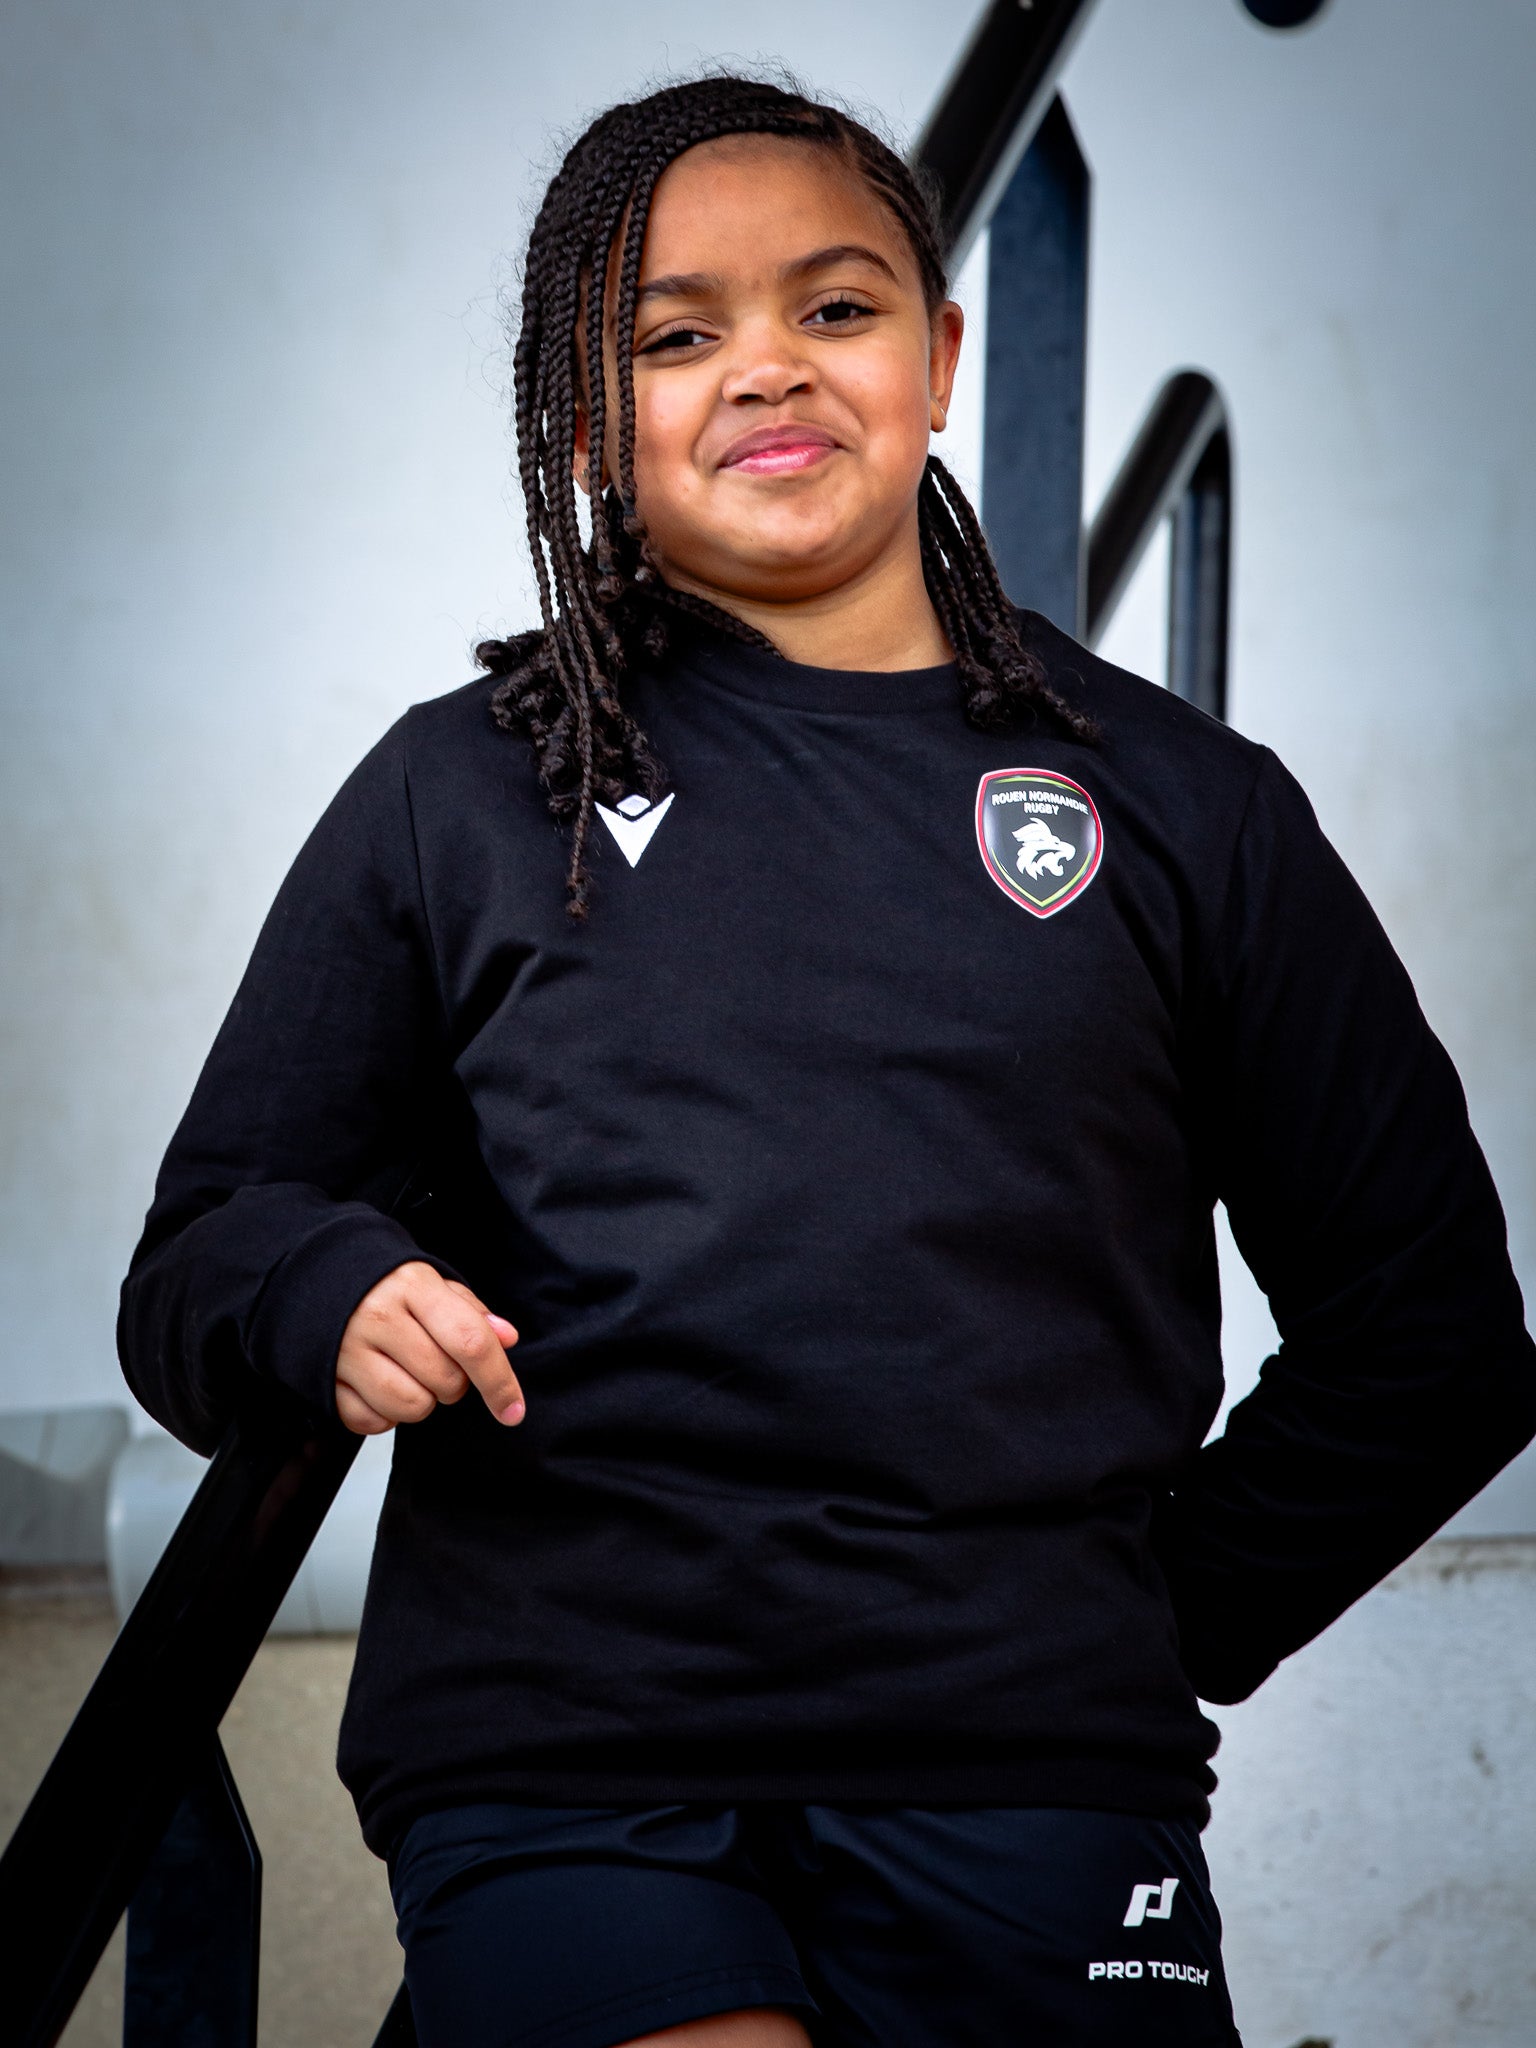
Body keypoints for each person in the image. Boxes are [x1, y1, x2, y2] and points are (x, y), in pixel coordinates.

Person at [118, 72, 1536, 2048]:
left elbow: (1435, 1332)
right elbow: (202, 1252)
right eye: (677, 334)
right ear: (589, 426)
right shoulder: (463, 796)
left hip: (1032, 1760)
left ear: (943, 356)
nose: (765, 369)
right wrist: (321, 1288)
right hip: (575, 1735)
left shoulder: (1188, 811)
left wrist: (1158, 1611)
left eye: (836, 307)